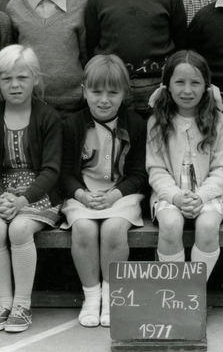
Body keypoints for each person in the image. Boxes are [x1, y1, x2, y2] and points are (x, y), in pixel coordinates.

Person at [0, 46, 66, 334]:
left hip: (39, 194)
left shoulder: (48, 117)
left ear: (35, 79)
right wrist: (1, 196)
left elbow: (52, 170)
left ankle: (22, 304)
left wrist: (23, 200)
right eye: (6, 79)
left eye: (22, 77)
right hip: (2, 192)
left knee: (18, 229)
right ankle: (3, 301)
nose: (15, 85)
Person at [60, 54, 150, 328]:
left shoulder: (135, 124)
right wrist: (83, 196)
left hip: (121, 194)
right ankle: (91, 296)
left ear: (125, 93)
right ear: (83, 91)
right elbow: (63, 173)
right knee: (84, 229)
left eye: (113, 92)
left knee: (113, 229)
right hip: (82, 193)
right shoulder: (72, 124)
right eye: (96, 91)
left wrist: (113, 195)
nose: (104, 100)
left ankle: (112, 295)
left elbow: (139, 175)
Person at [145, 51, 223, 279]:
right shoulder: (157, 122)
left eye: (195, 83)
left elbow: (222, 169)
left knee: (207, 226)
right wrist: (175, 197)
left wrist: (201, 196)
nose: (187, 90)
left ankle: (194, 292)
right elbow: (156, 169)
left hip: (210, 194)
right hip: (169, 195)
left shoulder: (219, 121)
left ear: (207, 87)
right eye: (179, 82)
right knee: (171, 224)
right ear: (167, 86)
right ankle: (175, 291)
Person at [7, 0, 89, 117]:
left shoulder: (80, 4)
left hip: (73, 104)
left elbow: (86, 54)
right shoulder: (15, 7)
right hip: (30, 104)